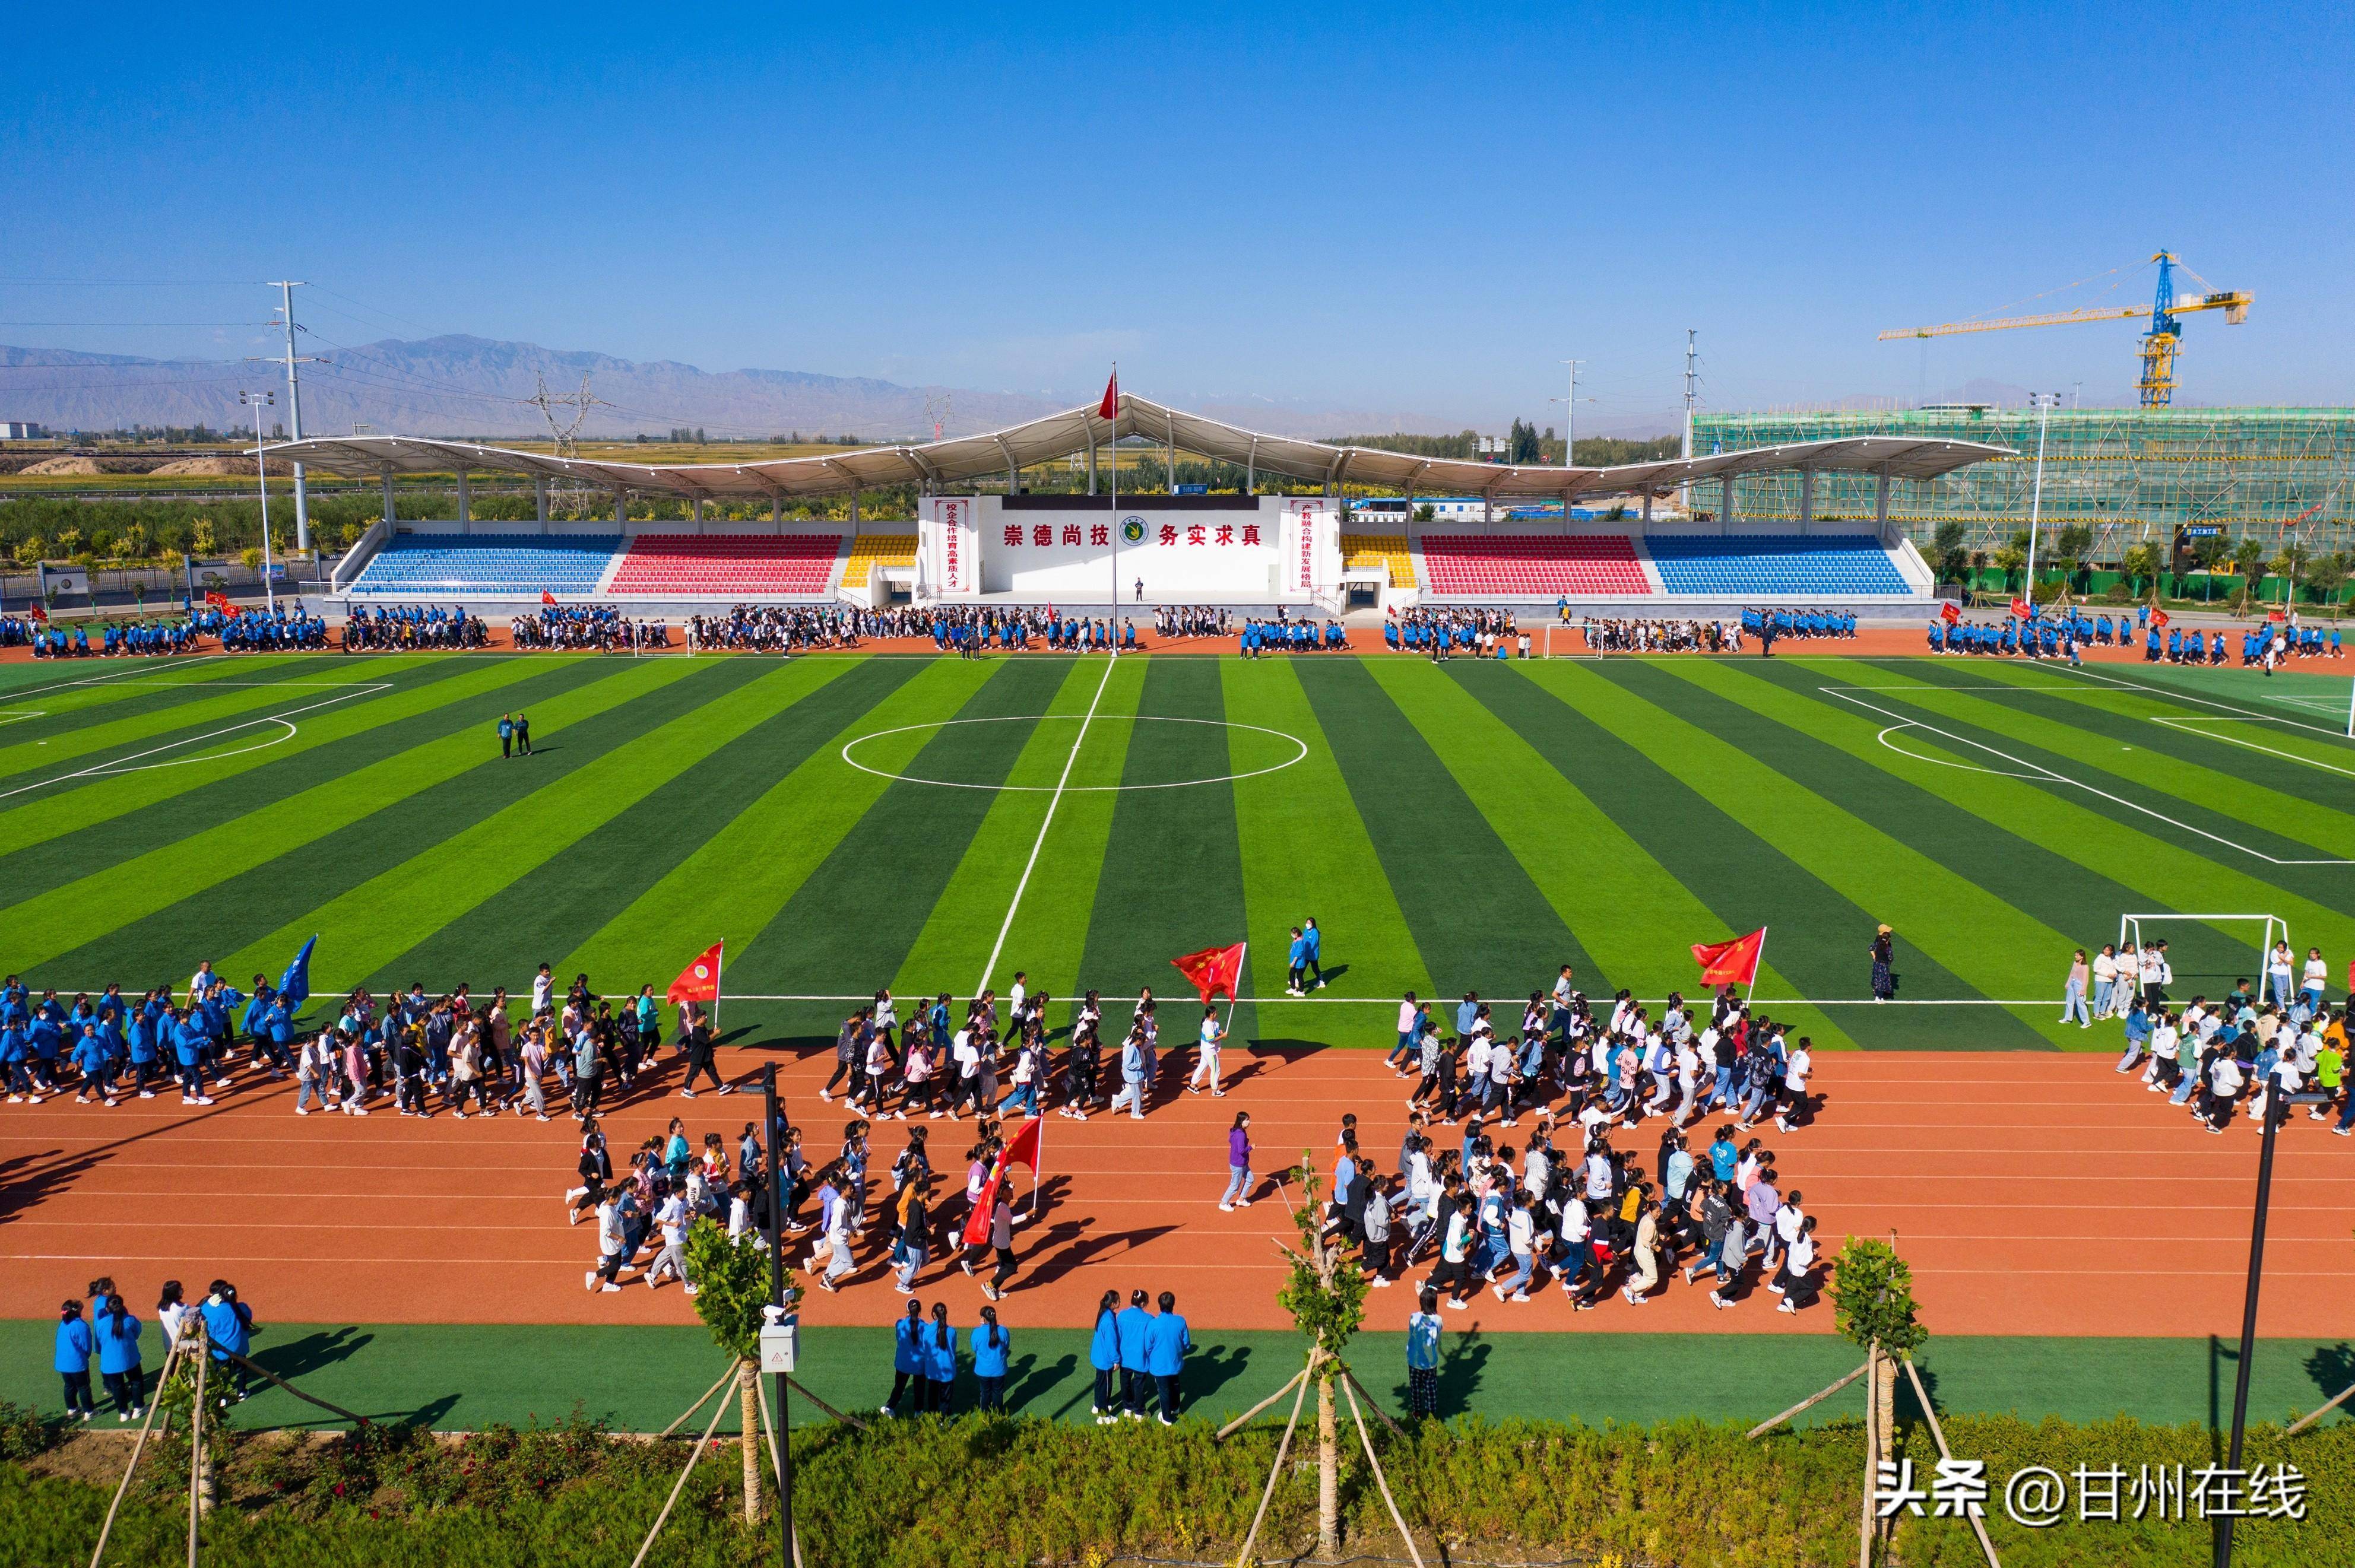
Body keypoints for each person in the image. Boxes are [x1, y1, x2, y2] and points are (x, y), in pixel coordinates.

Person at [95, 1293, 145, 1421]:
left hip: (110, 1362)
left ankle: (123, 1413)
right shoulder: (130, 1320)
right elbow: (137, 1332)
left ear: (107, 1309)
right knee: (136, 1382)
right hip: (130, 1358)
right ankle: (138, 1408)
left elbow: (99, 1340)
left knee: (117, 1387)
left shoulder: (101, 1324)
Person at [1145, 1291, 1190, 1425]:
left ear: (1160, 1305)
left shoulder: (1153, 1324)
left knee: (1163, 1391)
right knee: (1175, 1385)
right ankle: (1176, 1408)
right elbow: (1186, 1344)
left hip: (1159, 1366)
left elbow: (1148, 1346)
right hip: (1175, 1364)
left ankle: (1167, 1418)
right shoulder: (1181, 1321)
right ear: (1173, 1305)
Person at [55, 1297, 96, 1422]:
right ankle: (89, 1412)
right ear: (76, 1310)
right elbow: (86, 1346)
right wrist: (86, 1356)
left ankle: (72, 1409)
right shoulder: (81, 1326)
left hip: (63, 1363)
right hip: (77, 1364)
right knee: (84, 1387)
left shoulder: (63, 1324)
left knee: (69, 1386)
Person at [882, 1299, 924, 1416]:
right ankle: (918, 1411)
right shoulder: (925, 1327)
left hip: (903, 1364)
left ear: (907, 1311)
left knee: (899, 1387)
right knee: (919, 1389)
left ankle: (890, 1408)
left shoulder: (900, 1324)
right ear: (920, 1311)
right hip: (920, 1365)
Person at [1114, 1288, 1153, 1418]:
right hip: (1140, 1359)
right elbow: (1150, 1340)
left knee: (1125, 1383)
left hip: (1124, 1358)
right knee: (1139, 1385)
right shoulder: (1149, 1319)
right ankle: (1140, 1413)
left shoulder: (1121, 1316)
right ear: (1142, 1304)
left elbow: (1117, 1336)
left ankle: (1127, 1408)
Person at [1405, 1289, 1443, 1418]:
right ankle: (1432, 1414)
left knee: (1415, 1387)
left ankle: (1417, 1411)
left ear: (1421, 1301)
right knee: (1430, 1386)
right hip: (1431, 1361)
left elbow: (1411, 1332)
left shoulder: (1414, 1317)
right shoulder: (1438, 1320)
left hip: (1414, 1360)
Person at [970, 1305, 1012, 1414]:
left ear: (983, 1319)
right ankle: (998, 1416)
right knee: (998, 1393)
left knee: (985, 1393)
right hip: (999, 1370)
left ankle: (985, 1416)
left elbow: (975, 1348)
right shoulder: (1003, 1331)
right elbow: (1006, 1346)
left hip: (983, 1371)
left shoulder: (977, 1333)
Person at [1088, 1289, 1122, 1423]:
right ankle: (1104, 1416)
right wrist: (1116, 1360)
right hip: (1105, 1359)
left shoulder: (1104, 1313)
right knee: (1105, 1386)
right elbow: (1111, 1343)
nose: (1120, 1302)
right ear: (1113, 1304)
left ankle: (1098, 1405)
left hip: (1098, 1356)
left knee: (1100, 1383)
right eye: (1119, 1300)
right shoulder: (1108, 1320)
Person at [922, 1301, 957, 1413]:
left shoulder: (927, 1331)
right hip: (948, 1370)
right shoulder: (952, 1332)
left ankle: (932, 1416)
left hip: (933, 1370)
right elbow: (953, 1347)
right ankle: (943, 1420)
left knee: (932, 1394)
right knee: (945, 1398)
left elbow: (925, 1348)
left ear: (934, 1315)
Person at [1187, 1007, 1226, 1097]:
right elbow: (1211, 1040)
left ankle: (1192, 1085)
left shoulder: (1214, 1023)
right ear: (1212, 1014)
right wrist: (1223, 1037)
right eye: (1216, 1013)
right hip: (1210, 1050)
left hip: (1205, 1049)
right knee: (1216, 1069)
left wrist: (1220, 1033)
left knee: (1202, 1066)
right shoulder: (1208, 1025)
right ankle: (1215, 1091)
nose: (1217, 1014)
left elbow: (1216, 1031)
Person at [2061, 949, 2092, 1029]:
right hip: (2072, 983)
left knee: (2080, 1003)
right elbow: (2072, 973)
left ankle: (2087, 1022)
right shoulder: (2075, 963)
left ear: (2082, 957)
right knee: (2069, 1001)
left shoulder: (2085, 967)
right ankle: (2068, 1018)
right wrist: (2068, 983)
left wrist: (2083, 990)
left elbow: (2086, 979)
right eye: (2075, 955)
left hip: (2079, 985)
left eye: (2077, 955)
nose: (2076, 957)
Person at [1869, 925, 1894, 1002]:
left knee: (1877, 976)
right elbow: (1890, 958)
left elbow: (1871, 948)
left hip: (1877, 963)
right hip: (1884, 965)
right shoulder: (1887, 947)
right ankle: (1879, 994)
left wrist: (1875, 956)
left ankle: (1878, 991)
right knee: (1883, 979)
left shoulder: (1879, 942)